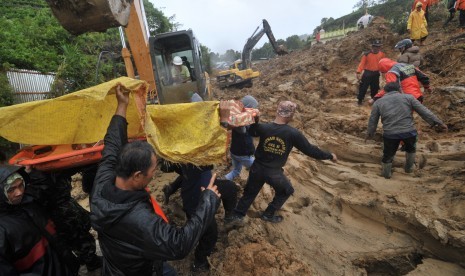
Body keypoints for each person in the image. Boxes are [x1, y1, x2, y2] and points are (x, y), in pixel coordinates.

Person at [90, 84, 222, 275]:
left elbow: (112, 144)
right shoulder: (139, 220)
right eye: (153, 170)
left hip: (119, 263)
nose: (155, 174)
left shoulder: (103, 182)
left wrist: (122, 105)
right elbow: (179, 245)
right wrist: (208, 201)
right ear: (137, 176)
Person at [229, 101, 337, 224]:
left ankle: (237, 215)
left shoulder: (264, 128)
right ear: (291, 115)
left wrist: (255, 120)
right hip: (273, 172)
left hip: (257, 168)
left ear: (277, 111)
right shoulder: (292, 133)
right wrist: (329, 156)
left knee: (249, 193)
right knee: (286, 190)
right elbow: (310, 150)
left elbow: (251, 131)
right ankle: (268, 214)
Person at [0, 165, 78, 275]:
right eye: (11, 189)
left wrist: (32, 169)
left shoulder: (29, 201)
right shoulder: (2, 228)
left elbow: (43, 185)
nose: (19, 192)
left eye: (20, 185)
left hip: (64, 268)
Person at [25, 167, 102, 272]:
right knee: (78, 235)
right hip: (60, 209)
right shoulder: (35, 175)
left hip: (64, 203)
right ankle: (90, 262)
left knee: (79, 231)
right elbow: (44, 189)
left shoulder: (47, 170)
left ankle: (88, 259)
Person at [367, 82, 448, 179]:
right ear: (399, 89)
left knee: (388, 154)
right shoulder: (409, 98)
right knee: (411, 149)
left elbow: (373, 120)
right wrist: (439, 123)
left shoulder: (378, 102)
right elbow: (424, 111)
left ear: (385, 91)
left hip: (390, 134)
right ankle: (409, 169)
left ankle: (386, 174)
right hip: (409, 133)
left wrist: (370, 133)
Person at [225, 95, 258, 181]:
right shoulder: (239, 120)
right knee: (258, 169)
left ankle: (224, 181)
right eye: (252, 108)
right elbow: (242, 130)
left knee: (236, 171)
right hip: (243, 154)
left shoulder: (236, 116)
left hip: (234, 152)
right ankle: (251, 186)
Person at [356, 40, 385, 105]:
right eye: (375, 46)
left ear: (380, 47)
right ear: (372, 47)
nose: (376, 48)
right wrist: (358, 72)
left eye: (378, 47)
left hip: (376, 73)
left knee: (375, 88)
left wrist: (383, 73)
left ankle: (373, 100)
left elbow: (383, 64)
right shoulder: (366, 54)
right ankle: (360, 100)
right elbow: (362, 64)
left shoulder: (382, 54)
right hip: (367, 73)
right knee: (363, 87)